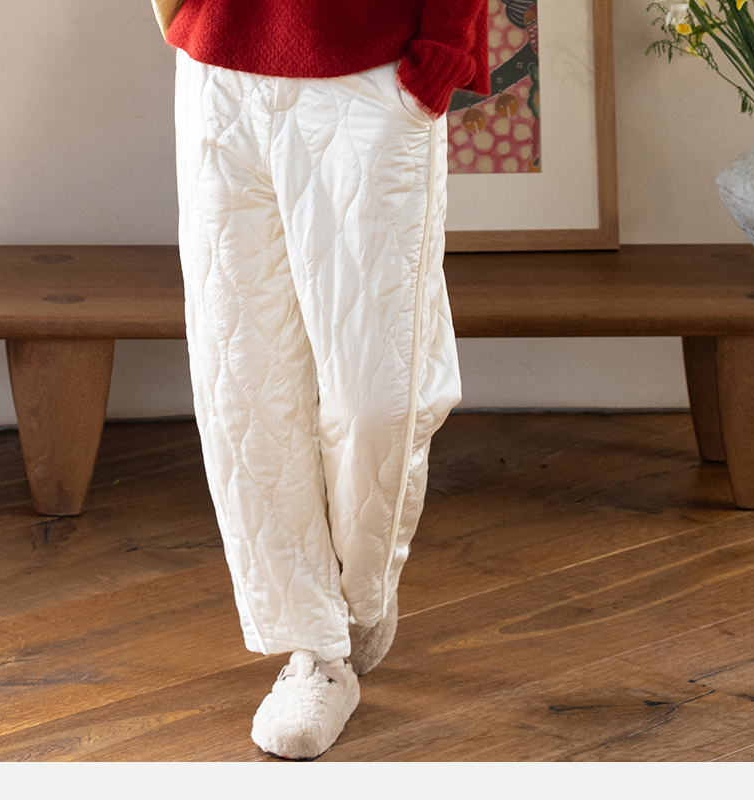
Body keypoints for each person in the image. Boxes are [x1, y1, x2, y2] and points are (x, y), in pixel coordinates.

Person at [152, 0, 490, 760]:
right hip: (219, 68)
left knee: (378, 392)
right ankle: (315, 649)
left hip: (373, 73)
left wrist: (440, 52)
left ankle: (360, 597)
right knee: (244, 385)